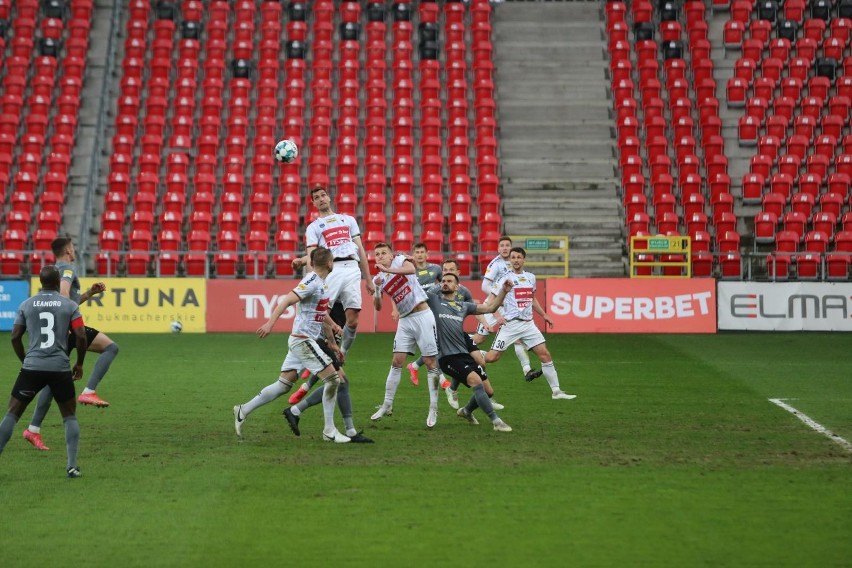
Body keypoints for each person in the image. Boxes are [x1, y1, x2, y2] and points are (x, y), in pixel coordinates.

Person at [233, 247, 350, 443]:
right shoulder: (311, 282)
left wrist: (332, 333)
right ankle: (329, 431)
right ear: (329, 263)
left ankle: (242, 410)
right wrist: (270, 323)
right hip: (303, 340)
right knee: (333, 379)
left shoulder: (322, 283)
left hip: (304, 340)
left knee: (283, 385)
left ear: (312, 263)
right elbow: (287, 300)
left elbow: (320, 313)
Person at [21, 237, 118, 451]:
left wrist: (90, 293)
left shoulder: (55, 270)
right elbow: (64, 293)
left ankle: (33, 429)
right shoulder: (66, 268)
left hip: (59, 329)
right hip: (68, 328)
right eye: (73, 248)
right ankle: (89, 390)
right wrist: (68, 321)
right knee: (111, 347)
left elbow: (67, 297)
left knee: (52, 381)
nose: (74, 251)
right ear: (67, 250)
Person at [0, 265, 87, 477]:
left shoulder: (26, 304)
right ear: (58, 283)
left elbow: (14, 337)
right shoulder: (69, 305)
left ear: (40, 282)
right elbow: (81, 336)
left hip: (32, 368)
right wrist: (79, 363)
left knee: (12, 413)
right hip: (59, 367)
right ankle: (72, 466)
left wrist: (25, 359)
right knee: (69, 416)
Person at [292, 185, 374, 361]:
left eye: (323, 195)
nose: (321, 199)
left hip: (352, 267)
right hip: (332, 269)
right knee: (322, 313)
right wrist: (311, 276)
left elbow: (360, 249)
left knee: (353, 319)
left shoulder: (348, 220)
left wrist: (368, 279)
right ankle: (321, 352)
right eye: (317, 197)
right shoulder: (314, 227)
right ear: (313, 203)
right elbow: (312, 255)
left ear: (329, 198)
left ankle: (342, 352)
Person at [483, 247, 576, 400]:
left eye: (518, 257)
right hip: (511, 325)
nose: (515, 260)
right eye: (513, 257)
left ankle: (556, 391)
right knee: (493, 357)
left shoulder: (531, 278)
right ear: (510, 261)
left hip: (528, 325)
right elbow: (491, 301)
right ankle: (475, 356)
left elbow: (532, 299)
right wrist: (497, 316)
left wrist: (544, 315)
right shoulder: (504, 279)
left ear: (524, 259)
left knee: (545, 355)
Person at [426, 272, 513, 432]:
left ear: (457, 286)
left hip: (464, 355)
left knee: (488, 391)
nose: (445, 283)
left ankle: (466, 411)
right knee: (476, 382)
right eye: (443, 281)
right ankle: (496, 421)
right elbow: (415, 290)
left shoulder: (463, 306)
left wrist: (504, 291)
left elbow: (490, 307)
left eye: (449, 281)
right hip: (448, 358)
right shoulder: (434, 301)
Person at [369, 242, 443, 428]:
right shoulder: (379, 278)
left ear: (390, 254)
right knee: (396, 362)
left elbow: (411, 270)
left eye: (383, 253)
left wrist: (388, 270)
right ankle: (387, 404)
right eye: (377, 254)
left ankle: (433, 407)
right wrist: (377, 291)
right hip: (405, 320)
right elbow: (377, 306)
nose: (380, 256)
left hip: (423, 316)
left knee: (430, 362)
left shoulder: (400, 260)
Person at [281, 300, 373, 443]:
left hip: (324, 342)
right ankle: (347, 431)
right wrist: (332, 343)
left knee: (339, 382)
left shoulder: (343, 302)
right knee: (339, 381)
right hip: (321, 341)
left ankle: (296, 410)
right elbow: (324, 316)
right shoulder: (336, 296)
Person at [471, 236, 541, 382]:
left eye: (507, 245)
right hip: (493, 305)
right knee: (480, 338)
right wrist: (499, 298)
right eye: (502, 245)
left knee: (518, 338)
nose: (504, 248)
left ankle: (527, 369)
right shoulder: (495, 264)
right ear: (498, 249)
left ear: (511, 247)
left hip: (509, 307)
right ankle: (460, 345)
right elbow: (485, 286)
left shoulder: (515, 262)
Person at [404, 243, 442, 386]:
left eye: (422, 252)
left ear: (427, 254)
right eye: (417, 252)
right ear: (413, 255)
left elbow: (445, 284)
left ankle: (414, 366)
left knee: (437, 345)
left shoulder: (436, 269)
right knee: (434, 346)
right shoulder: (410, 271)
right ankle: (441, 379)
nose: (419, 254)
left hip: (436, 310)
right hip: (420, 313)